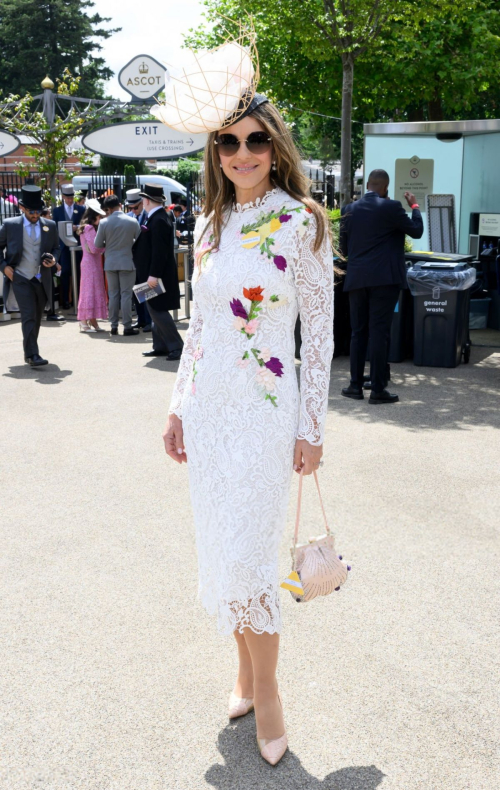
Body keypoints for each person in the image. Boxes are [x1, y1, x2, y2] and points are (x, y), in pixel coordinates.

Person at [160, 77, 333, 764]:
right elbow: (197, 327)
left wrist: (311, 427)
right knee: (226, 553)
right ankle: (244, 675)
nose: (242, 152)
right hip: (209, 413)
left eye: (256, 139)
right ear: (214, 151)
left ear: (275, 145)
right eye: (228, 142)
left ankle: (271, 691)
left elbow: (318, 335)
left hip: (265, 416)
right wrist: (176, 407)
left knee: (256, 559)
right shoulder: (209, 224)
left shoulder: (303, 223)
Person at [339, 169, 423, 404]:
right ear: (385, 188)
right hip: (385, 281)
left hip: (356, 279)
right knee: (379, 333)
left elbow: (344, 250)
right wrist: (414, 207)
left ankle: (355, 386)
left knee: (358, 333)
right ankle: (377, 389)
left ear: (367, 185)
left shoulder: (348, 210)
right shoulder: (392, 207)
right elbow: (416, 232)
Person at [0, 185, 60, 366]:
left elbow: (56, 248)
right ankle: (34, 354)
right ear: (23, 208)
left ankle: (29, 352)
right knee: (28, 315)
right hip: (19, 277)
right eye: (32, 211)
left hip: (41, 277)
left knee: (37, 315)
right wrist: (4, 267)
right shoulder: (10, 225)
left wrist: (53, 259)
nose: (36, 215)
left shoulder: (50, 225)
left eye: (39, 211)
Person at [133, 184, 183, 359]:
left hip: (155, 275)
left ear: (146, 200)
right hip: (152, 273)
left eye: (143, 198)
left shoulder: (159, 219)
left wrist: (153, 275)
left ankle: (176, 345)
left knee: (157, 309)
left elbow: (159, 251)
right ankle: (160, 345)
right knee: (154, 308)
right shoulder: (158, 216)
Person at [94, 194, 141, 336]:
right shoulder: (132, 221)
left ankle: (113, 326)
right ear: (120, 204)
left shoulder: (104, 223)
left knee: (113, 294)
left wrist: (108, 244)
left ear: (108, 208)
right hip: (127, 261)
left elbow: (97, 244)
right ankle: (127, 326)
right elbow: (139, 242)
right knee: (126, 294)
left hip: (110, 262)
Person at [52, 184, 85, 308]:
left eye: (71, 198)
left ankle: (78, 300)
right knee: (65, 272)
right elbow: (54, 228)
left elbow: (84, 225)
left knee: (77, 272)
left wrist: (77, 227)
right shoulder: (57, 211)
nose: (70, 200)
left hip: (77, 246)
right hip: (63, 247)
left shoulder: (81, 209)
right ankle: (65, 300)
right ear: (63, 197)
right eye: (68, 198)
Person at [77, 199, 107, 333]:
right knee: (89, 290)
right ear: (93, 215)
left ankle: (92, 319)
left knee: (91, 290)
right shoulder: (89, 228)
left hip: (91, 262)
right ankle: (84, 321)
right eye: (99, 216)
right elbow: (95, 248)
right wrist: (105, 247)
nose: (100, 219)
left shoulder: (86, 227)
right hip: (91, 263)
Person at [127, 188, 152, 332]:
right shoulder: (129, 217)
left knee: (146, 291)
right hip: (132, 259)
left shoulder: (149, 216)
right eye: (130, 208)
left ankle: (149, 320)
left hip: (145, 260)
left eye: (135, 207)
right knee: (136, 291)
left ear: (142, 203)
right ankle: (141, 319)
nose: (133, 210)